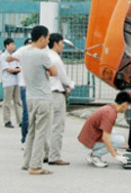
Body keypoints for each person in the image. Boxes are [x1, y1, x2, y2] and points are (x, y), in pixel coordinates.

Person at [20, 25, 57, 175]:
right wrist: (47, 71)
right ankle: (35, 166)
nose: (48, 41)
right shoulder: (42, 55)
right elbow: (54, 72)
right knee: (41, 132)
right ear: (41, 38)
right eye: (47, 38)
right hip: (43, 98)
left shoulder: (24, 53)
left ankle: (27, 162)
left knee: (32, 131)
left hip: (30, 97)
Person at [78, 91, 131, 168]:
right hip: (89, 141)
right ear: (124, 105)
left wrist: (116, 152)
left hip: (89, 137)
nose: (127, 108)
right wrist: (115, 156)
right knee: (120, 140)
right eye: (128, 106)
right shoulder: (110, 114)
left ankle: (95, 154)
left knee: (114, 132)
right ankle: (95, 156)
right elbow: (105, 138)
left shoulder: (110, 108)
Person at [45, 33, 75, 166]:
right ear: (56, 43)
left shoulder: (45, 56)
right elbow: (64, 78)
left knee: (46, 126)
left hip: (45, 93)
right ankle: (54, 156)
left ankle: (46, 153)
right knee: (57, 126)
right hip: (56, 94)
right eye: (62, 43)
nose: (63, 46)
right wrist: (71, 85)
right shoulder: (56, 59)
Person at [1, 38, 23, 128]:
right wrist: (19, 69)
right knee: (7, 102)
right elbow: (8, 69)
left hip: (17, 81)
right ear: (7, 45)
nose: (14, 46)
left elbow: (19, 65)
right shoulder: (3, 56)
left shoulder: (15, 56)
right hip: (8, 81)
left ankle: (20, 120)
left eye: (14, 44)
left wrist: (18, 69)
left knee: (17, 101)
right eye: (12, 44)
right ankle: (7, 121)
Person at [15, 38, 32, 146]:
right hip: (25, 87)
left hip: (34, 88)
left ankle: (31, 138)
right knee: (27, 114)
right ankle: (24, 138)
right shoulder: (21, 52)